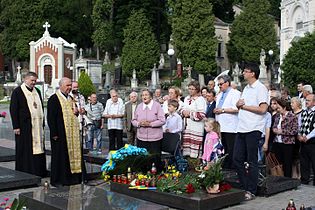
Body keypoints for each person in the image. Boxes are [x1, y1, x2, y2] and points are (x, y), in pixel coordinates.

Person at [234, 62, 269, 200]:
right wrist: (238, 105)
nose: (243, 73)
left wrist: (244, 107)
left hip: (254, 128)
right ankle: (244, 185)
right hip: (241, 127)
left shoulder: (260, 88)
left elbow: (263, 109)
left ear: (252, 73)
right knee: (237, 158)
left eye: (245, 71)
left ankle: (251, 190)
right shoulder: (246, 88)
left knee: (252, 160)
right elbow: (241, 105)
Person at [47, 77, 84, 186]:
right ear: (61, 86)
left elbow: (74, 114)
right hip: (60, 133)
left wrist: (77, 112)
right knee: (60, 156)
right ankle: (58, 180)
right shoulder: (54, 99)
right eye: (67, 85)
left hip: (72, 133)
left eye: (70, 85)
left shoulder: (71, 99)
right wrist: (54, 133)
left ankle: (72, 178)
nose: (69, 88)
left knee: (70, 156)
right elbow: (51, 117)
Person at [10, 72, 47, 177]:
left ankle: (39, 171)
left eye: (35, 80)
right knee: (26, 149)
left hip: (37, 126)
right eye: (32, 80)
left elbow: (40, 108)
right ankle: (26, 172)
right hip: (24, 126)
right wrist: (16, 126)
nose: (34, 83)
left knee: (39, 149)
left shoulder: (37, 91)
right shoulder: (18, 92)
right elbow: (13, 109)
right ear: (25, 79)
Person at [131, 89, 165, 171]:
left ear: (150, 97)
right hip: (141, 138)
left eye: (146, 95)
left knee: (154, 159)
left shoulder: (157, 106)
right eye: (142, 95)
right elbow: (133, 120)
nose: (144, 97)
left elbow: (162, 120)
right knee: (142, 158)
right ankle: (143, 176)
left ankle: (156, 177)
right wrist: (139, 124)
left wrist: (150, 124)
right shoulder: (139, 106)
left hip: (155, 138)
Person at [214, 75, 241, 169]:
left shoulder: (235, 93)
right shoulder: (219, 94)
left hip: (231, 126)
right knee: (224, 148)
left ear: (227, 83)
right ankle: (226, 168)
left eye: (221, 84)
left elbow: (236, 109)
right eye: (218, 84)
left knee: (231, 149)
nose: (219, 86)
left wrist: (222, 110)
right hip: (221, 126)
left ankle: (233, 169)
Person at [272, 98, 298, 177]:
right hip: (277, 142)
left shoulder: (292, 116)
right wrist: (275, 130)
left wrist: (282, 132)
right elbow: (274, 127)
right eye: (277, 109)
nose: (278, 110)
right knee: (279, 164)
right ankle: (280, 181)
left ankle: (288, 181)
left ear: (284, 107)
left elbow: (295, 131)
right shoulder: (277, 115)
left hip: (287, 143)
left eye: (279, 108)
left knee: (287, 163)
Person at [181, 81, 206, 158]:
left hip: (196, 126)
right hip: (187, 126)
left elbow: (202, 114)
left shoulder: (200, 99)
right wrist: (183, 112)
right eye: (189, 88)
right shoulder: (186, 98)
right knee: (187, 147)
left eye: (193, 89)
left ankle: (196, 162)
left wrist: (190, 114)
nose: (190, 90)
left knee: (195, 147)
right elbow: (182, 109)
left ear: (197, 89)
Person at [297, 94, 315, 185]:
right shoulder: (303, 113)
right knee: (304, 162)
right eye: (306, 100)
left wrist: (307, 137)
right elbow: (299, 125)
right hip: (303, 142)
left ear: (314, 102)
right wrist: (299, 135)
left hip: (313, 142)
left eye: (309, 100)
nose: (306, 102)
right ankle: (304, 180)